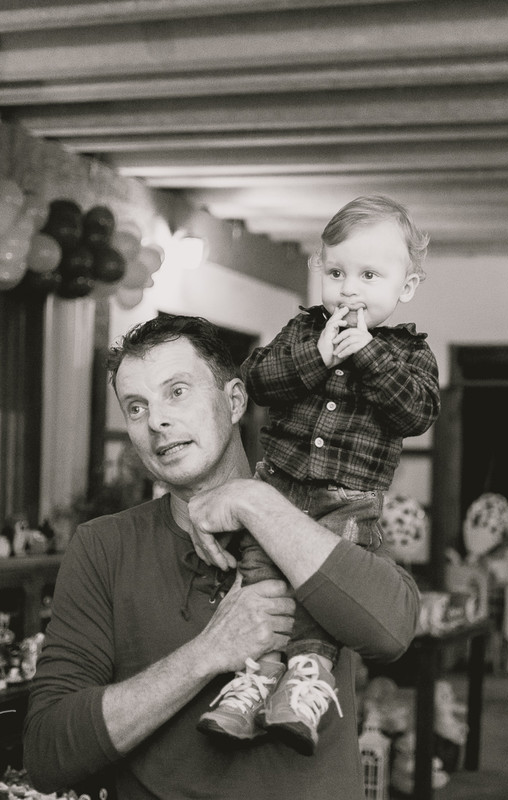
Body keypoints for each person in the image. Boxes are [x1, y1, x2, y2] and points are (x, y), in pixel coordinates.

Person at [22, 315, 420, 800]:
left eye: (177, 391)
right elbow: (47, 755)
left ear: (234, 401)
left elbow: (392, 631)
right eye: (135, 407)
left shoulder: (320, 521)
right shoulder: (104, 546)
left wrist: (255, 502)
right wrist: (206, 654)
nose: (157, 421)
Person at [196, 195, 439, 753]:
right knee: (261, 578)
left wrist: (368, 356)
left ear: (405, 287)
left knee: (323, 593)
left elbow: (418, 412)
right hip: (277, 485)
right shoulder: (303, 332)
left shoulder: (408, 354)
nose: (348, 289)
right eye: (336, 273)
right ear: (319, 273)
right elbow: (258, 381)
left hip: (350, 502)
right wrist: (319, 358)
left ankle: (307, 682)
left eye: (369, 274)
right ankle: (252, 680)